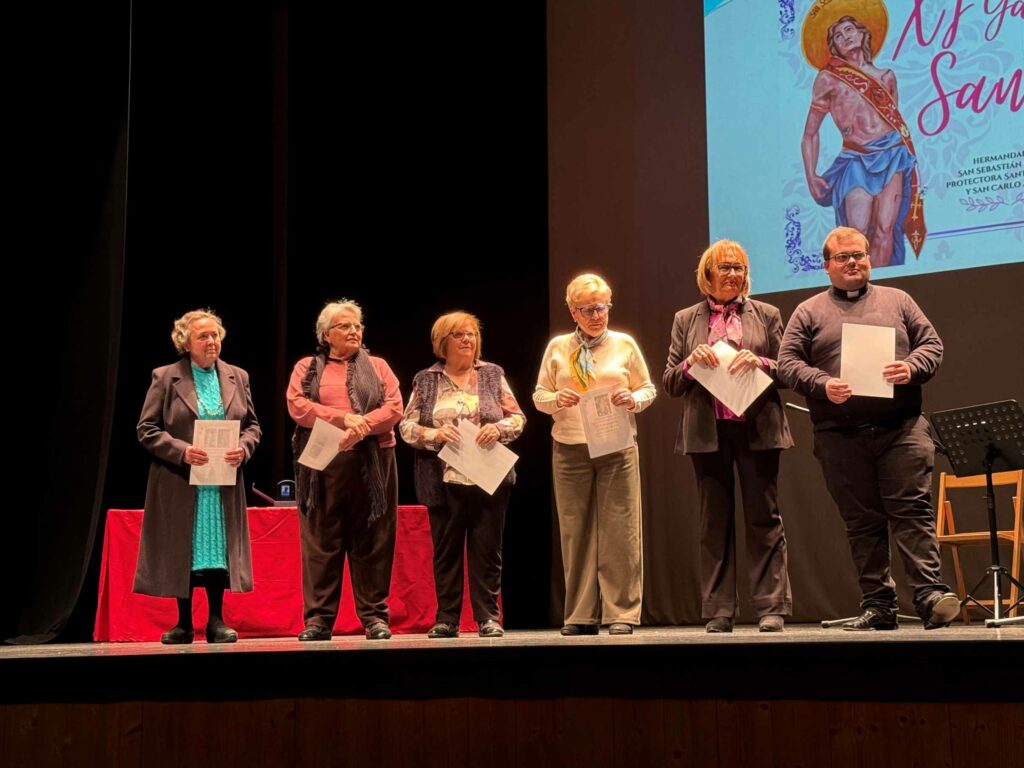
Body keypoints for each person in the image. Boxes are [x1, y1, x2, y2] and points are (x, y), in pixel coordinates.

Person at [777, 226, 959, 630]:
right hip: (839, 433)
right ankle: (879, 605)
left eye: (859, 254)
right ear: (826, 266)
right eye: (843, 257)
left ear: (870, 259)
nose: (853, 262)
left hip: (902, 427)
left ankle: (929, 596)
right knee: (862, 522)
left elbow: (932, 346)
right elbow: (787, 362)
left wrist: (910, 367)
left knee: (912, 510)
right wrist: (822, 383)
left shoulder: (899, 300)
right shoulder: (809, 311)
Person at [664, 240, 793, 633]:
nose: (733, 274)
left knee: (763, 517)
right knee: (713, 522)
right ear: (707, 273)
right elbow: (670, 382)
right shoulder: (686, 319)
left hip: (758, 428)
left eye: (738, 267)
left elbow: (788, 370)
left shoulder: (766, 314)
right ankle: (719, 609)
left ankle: (771, 606)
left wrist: (763, 361)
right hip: (708, 432)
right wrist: (690, 363)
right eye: (725, 267)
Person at [534, 273, 656, 636]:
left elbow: (647, 388)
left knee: (622, 530)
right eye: (587, 309)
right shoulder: (558, 347)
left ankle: (621, 612)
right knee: (576, 531)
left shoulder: (624, 344)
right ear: (572, 311)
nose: (596, 315)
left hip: (617, 446)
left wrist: (632, 399)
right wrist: (558, 399)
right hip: (570, 447)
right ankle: (581, 614)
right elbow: (540, 395)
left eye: (601, 307)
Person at [134, 309, 261, 644]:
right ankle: (184, 623)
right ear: (185, 342)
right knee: (185, 549)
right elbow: (146, 429)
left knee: (216, 550)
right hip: (181, 481)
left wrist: (243, 449)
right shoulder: (165, 377)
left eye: (215, 335)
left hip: (221, 481)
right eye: (203, 336)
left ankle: (216, 620)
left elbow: (252, 426)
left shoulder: (237, 376)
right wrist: (181, 451)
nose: (211, 342)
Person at [400, 311, 525, 638]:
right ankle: (447, 619)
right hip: (442, 481)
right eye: (459, 335)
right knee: (447, 552)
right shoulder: (426, 380)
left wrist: (497, 429)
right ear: (443, 344)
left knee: (487, 551)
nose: (468, 340)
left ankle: (488, 618)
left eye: (471, 334)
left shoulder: (492, 374)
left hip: (487, 477)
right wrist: (434, 436)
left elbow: (518, 418)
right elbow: (406, 425)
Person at [287, 299, 403, 641]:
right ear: (326, 334)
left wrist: (362, 425)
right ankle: (319, 620)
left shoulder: (378, 366)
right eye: (345, 326)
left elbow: (395, 406)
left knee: (374, 540)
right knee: (322, 541)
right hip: (323, 463)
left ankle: (375, 618)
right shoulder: (307, 367)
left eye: (357, 326)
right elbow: (298, 405)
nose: (354, 331)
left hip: (374, 462)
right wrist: (342, 418)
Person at [801, 10, 926, 267]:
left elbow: (893, 123)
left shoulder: (887, 77)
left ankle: (881, 292)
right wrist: (811, 175)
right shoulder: (827, 79)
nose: (845, 36)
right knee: (856, 238)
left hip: (892, 155)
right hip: (856, 160)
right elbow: (810, 134)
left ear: (862, 34)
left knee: (885, 229)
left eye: (849, 30)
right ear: (833, 46)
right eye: (838, 35)